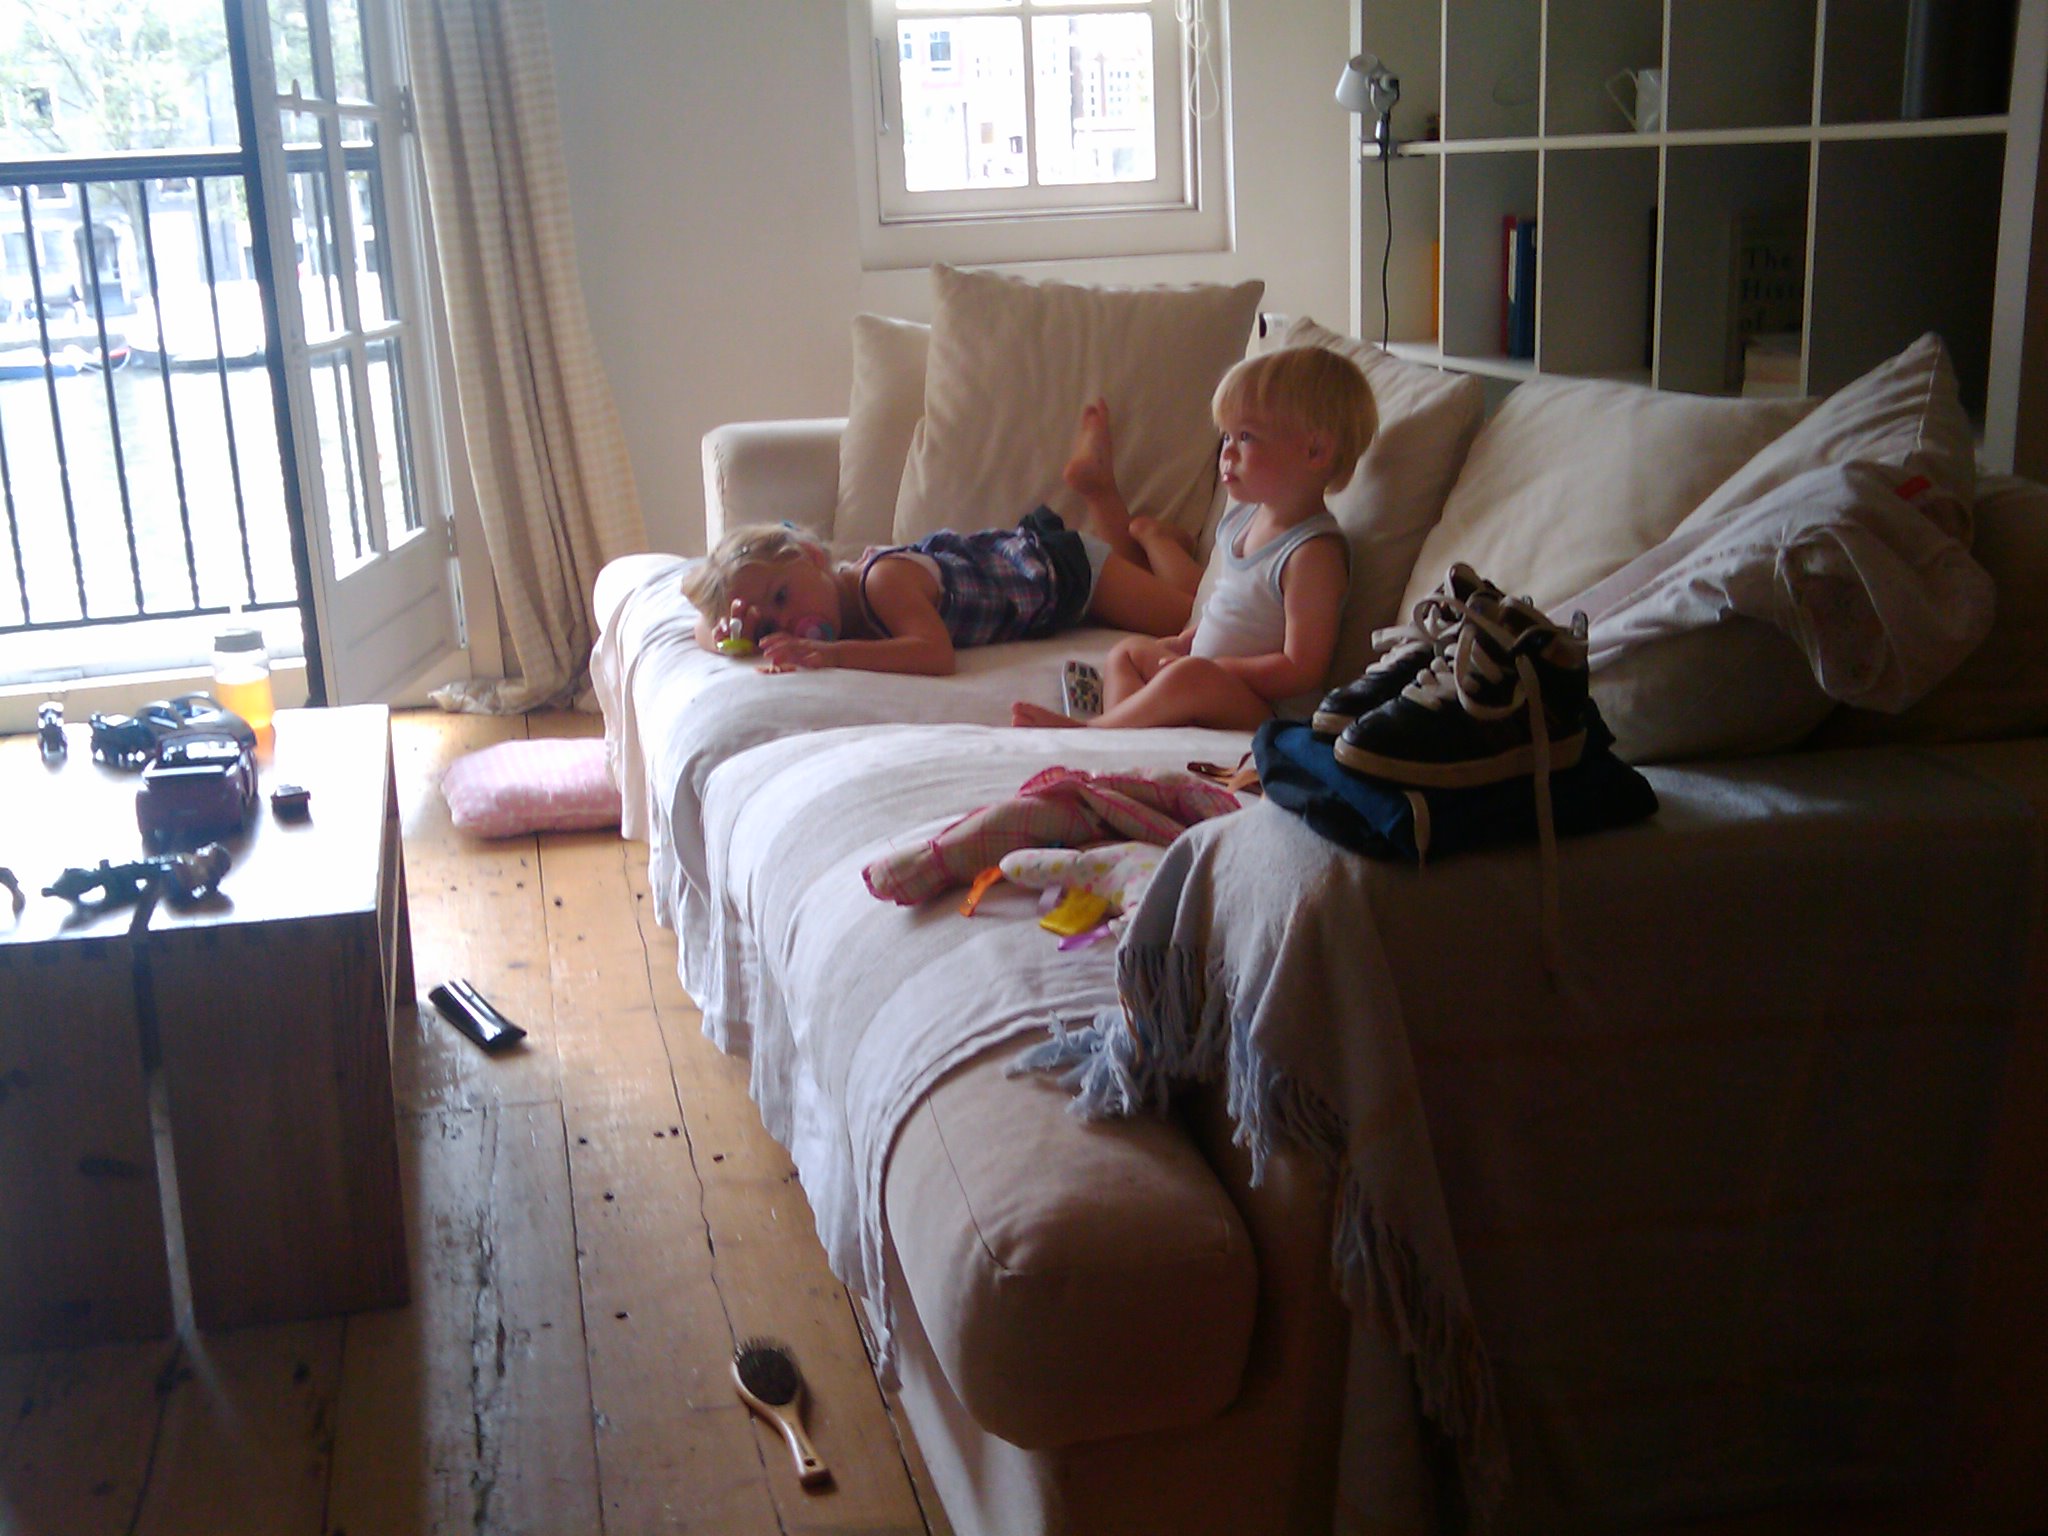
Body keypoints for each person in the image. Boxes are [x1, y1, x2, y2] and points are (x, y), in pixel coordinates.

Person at [683, 403, 1204, 676]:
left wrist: (835, 655)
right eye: (769, 623)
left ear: (814, 555)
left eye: (781, 596)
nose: (788, 620)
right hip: (1045, 579)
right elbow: (698, 630)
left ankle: (1154, 534)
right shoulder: (838, 605)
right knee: (1137, 592)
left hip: (1065, 574)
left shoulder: (880, 583)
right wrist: (732, 634)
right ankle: (1101, 493)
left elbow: (934, 654)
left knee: (1191, 615)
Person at [1011, 345, 1375, 732]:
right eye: (1226, 436)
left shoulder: (1312, 554)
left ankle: (1095, 732)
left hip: (1270, 711)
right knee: (1127, 653)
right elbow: (1228, 611)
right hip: (1207, 675)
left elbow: (1301, 669)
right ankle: (1123, 733)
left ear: (1315, 451)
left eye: (1246, 436)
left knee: (1190, 678)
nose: (1227, 451)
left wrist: (1218, 668)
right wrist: (1186, 642)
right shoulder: (1245, 519)